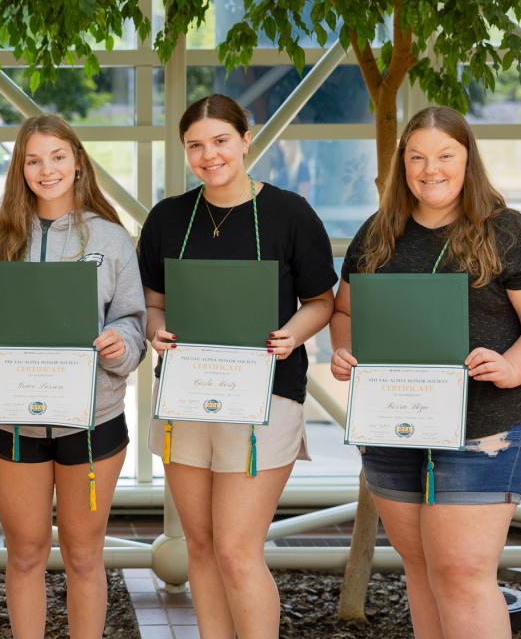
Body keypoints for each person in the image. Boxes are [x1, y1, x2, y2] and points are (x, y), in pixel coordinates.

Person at [331, 106, 521, 639]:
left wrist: (514, 366)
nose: (430, 169)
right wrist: (346, 350)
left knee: (463, 573)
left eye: (445, 155)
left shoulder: (506, 231)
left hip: (482, 429)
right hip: (393, 425)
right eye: (417, 156)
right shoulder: (379, 233)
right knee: (420, 570)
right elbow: (347, 311)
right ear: (402, 163)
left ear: (468, 160)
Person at [139, 94, 336, 639]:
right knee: (199, 546)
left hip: (264, 397)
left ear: (246, 140)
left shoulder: (290, 213)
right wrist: (157, 329)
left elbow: (322, 300)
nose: (209, 155)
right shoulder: (168, 218)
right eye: (195, 146)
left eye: (221, 140)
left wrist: (290, 336)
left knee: (235, 549)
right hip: (185, 395)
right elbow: (153, 300)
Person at [0, 114, 146, 639]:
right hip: (13, 424)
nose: (47, 169)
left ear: (78, 162)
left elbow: (133, 321)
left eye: (58, 156)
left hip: (93, 424)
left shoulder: (109, 239)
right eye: (34, 159)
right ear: (20, 168)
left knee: (85, 558)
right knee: (25, 554)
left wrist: (120, 344)